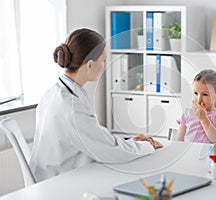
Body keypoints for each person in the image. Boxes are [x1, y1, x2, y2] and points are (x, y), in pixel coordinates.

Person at [29, 28, 162, 182]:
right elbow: (110, 151)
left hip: (51, 176)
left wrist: (129, 142)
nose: (104, 65)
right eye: (103, 60)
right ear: (90, 65)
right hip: (57, 184)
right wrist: (148, 146)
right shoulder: (71, 107)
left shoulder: (54, 93)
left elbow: (97, 139)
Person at [176, 69, 216, 143]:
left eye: (205, 94)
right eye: (195, 93)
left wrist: (203, 118)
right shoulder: (188, 113)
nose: (199, 99)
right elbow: (178, 142)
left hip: (210, 154)